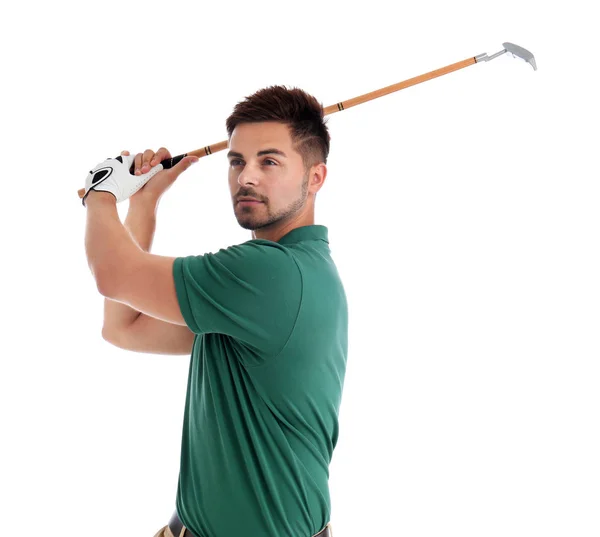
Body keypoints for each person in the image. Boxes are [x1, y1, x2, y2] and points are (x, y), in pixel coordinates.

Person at [84, 85, 348, 537]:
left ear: (316, 177)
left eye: (269, 161)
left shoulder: (271, 276)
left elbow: (114, 274)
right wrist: (144, 203)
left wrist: (100, 193)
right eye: (236, 161)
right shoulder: (262, 287)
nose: (247, 177)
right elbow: (123, 327)